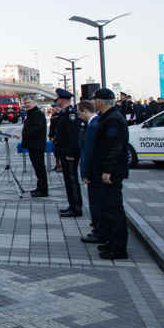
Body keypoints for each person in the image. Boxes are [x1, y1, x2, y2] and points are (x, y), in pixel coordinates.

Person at [90, 89, 130, 260]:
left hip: (111, 173)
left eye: (94, 100)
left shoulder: (112, 119)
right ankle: (112, 242)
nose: (93, 102)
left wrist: (107, 171)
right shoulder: (110, 117)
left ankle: (119, 248)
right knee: (108, 208)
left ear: (100, 102)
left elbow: (115, 148)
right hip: (107, 170)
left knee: (114, 210)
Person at [78, 100, 106, 244]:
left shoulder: (94, 126)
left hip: (94, 173)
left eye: (79, 113)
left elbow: (90, 153)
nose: (79, 116)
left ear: (85, 111)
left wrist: (86, 173)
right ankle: (99, 228)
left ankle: (99, 231)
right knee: (96, 202)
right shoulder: (95, 124)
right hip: (95, 172)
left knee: (96, 203)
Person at [53, 89, 83, 217]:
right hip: (64, 151)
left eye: (58, 100)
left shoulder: (71, 114)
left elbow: (73, 135)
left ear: (61, 100)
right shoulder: (64, 112)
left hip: (69, 153)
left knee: (71, 180)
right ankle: (72, 205)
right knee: (68, 180)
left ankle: (76, 208)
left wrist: (70, 153)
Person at [14, 96, 48, 197]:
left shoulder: (37, 113)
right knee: (37, 168)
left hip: (36, 145)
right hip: (33, 145)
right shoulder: (32, 113)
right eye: (25, 103)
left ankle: (43, 190)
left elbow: (36, 129)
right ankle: (40, 187)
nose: (27, 105)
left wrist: (23, 135)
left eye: (29, 102)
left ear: (34, 102)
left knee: (39, 167)